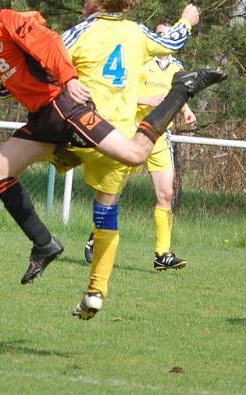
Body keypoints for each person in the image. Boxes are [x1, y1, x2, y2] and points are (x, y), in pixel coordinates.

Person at [0, 0, 224, 287]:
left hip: (65, 110)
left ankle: (180, 91)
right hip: (43, 119)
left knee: (134, 154)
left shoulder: (13, 22)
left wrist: (70, 79)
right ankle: (44, 244)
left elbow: (49, 47)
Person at [83, 34, 197, 272]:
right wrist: (147, 100)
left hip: (161, 135)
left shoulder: (177, 67)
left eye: (169, 35)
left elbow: (180, 92)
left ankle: (162, 253)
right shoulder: (141, 62)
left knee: (166, 193)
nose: (165, 40)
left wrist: (186, 110)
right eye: (161, 35)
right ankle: (96, 235)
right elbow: (120, 91)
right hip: (134, 133)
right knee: (114, 190)